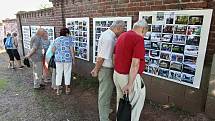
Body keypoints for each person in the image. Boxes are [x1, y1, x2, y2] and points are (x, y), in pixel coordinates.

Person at [113, 19, 148, 121]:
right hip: (128, 77)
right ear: (143, 29)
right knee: (134, 105)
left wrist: (118, 69)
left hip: (117, 74)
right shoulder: (138, 39)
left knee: (121, 103)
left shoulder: (122, 36)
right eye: (145, 33)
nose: (144, 35)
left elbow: (114, 56)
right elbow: (135, 64)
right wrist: (129, 83)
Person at [91, 20, 125, 121]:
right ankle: (103, 117)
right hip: (105, 69)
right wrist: (96, 69)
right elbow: (101, 57)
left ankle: (105, 110)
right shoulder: (109, 38)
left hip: (107, 68)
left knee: (107, 92)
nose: (123, 31)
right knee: (104, 94)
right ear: (118, 28)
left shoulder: (108, 35)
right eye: (123, 29)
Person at [52, 27, 75, 95]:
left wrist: (57, 54)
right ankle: (67, 89)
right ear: (67, 33)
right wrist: (73, 59)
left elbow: (52, 50)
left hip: (58, 60)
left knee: (58, 73)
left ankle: (58, 90)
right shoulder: (69, 39)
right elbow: (72, 51)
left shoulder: (56, 40)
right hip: (67, 60)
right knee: (67, 73)